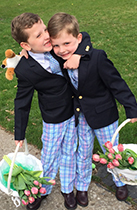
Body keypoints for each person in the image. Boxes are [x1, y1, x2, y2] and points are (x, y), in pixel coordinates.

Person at [47, 12, 137, 206]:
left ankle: (120, 180)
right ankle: (82, 186)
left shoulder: (97, 57)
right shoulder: (58, 59)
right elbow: (40, 52)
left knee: (112, 150)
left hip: (105, 115)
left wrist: (132, 108)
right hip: (81, 116)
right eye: (56, 45)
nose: (62, 50)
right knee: (83, 151)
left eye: (67, 44)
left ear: (78, 39)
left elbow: (117, 84)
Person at [11, 13, 91, 210]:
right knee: (49, 155)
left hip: (73, 112)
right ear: (26, 46)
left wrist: (78, 55)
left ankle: (67, 189)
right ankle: (43, 190)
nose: (46, 36)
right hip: (53, 118)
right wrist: (19, 133)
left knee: (69, 152)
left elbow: (85, 36)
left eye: (44, 30)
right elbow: (22, 102)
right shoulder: (25, 68)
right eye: (38, 36)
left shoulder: (57, 48)